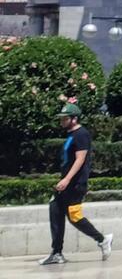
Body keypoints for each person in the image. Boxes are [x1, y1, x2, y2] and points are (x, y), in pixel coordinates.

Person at [38, 103, 113, 266]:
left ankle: (102, 239)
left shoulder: (81, 134)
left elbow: (80, 159)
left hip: (75, 184)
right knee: (55, 209)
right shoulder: (71, 135)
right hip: (67, 184)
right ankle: (56, 253)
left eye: (64, 118)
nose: (61, 121)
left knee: (74, 216)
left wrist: (66, 179)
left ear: (74, 119)